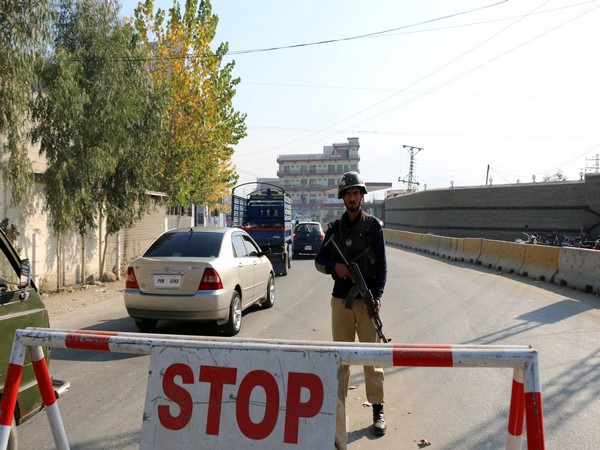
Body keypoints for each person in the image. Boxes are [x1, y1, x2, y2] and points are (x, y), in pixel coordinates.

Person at [315, 171, 388, 449]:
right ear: (343, 198)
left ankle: (378, 410)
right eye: (348, 193)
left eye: (356, 193)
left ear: (362, 196)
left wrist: (377, 296)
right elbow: (320, 261)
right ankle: (338, 413)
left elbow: (382, 267)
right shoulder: (334, 229)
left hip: (367, 303)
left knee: (373, 358)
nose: (352, 197)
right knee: (342, 360)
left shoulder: (373, 227)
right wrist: (337, 268)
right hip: (341, 302)